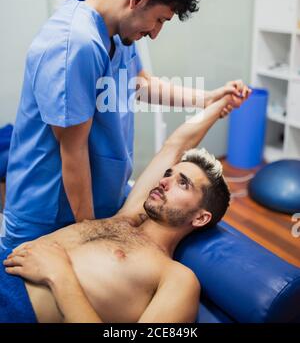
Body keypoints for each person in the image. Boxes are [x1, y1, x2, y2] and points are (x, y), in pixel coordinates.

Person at [1, 0, 249, 251]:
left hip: (98, 207)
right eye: (159, 19)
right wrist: (88, 237)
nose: (156, 33)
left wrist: (208, 97)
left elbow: (141, 83)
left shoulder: (118, 34)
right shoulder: (74, 44)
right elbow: (73, 153)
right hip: (49, 216)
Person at [2, 90, 250, 323]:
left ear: (200, 218)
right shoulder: (126, 217)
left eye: (183, 184)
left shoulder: (177, 278)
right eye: (168, 174)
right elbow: (175, 146)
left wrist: (59, 275)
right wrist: (221, 103)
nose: (164, 182)